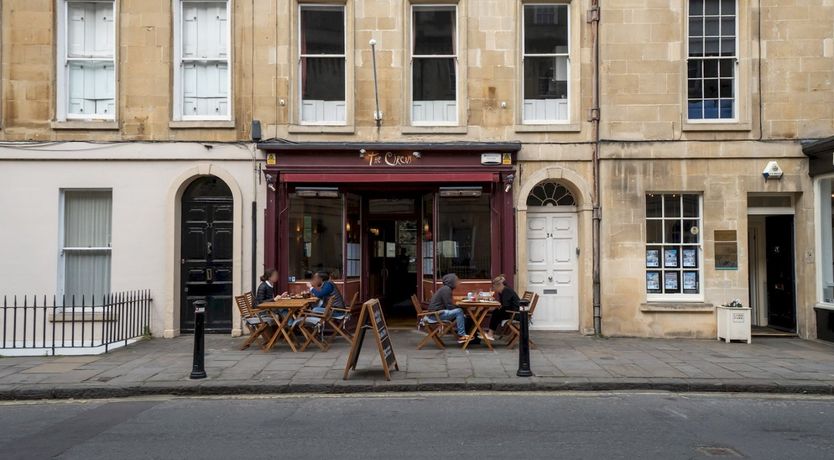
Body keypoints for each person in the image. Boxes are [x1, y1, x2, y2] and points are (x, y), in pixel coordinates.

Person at [428, 273, 469, 344]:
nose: (458, 282)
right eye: (456, 281)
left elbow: (449, 305)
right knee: (459, 311)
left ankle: (464, 333)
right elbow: (449, 306)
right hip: (435, 315)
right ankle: (462, 335)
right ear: (451, 282)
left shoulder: (445, 289)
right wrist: (460, 307)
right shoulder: (446, 289)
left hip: (436, 313)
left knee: (461, 312)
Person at [483, 274, 520, 342]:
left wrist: (498, 307)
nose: (494, 289)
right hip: (512, 311)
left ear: (499, 285)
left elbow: (506, 305)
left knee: (496, 313)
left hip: (515, 314)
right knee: (496, 311)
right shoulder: (503, 291)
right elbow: (504, 305)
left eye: (494, 287)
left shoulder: (506, 291)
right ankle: (490, 333)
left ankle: (490, 334)